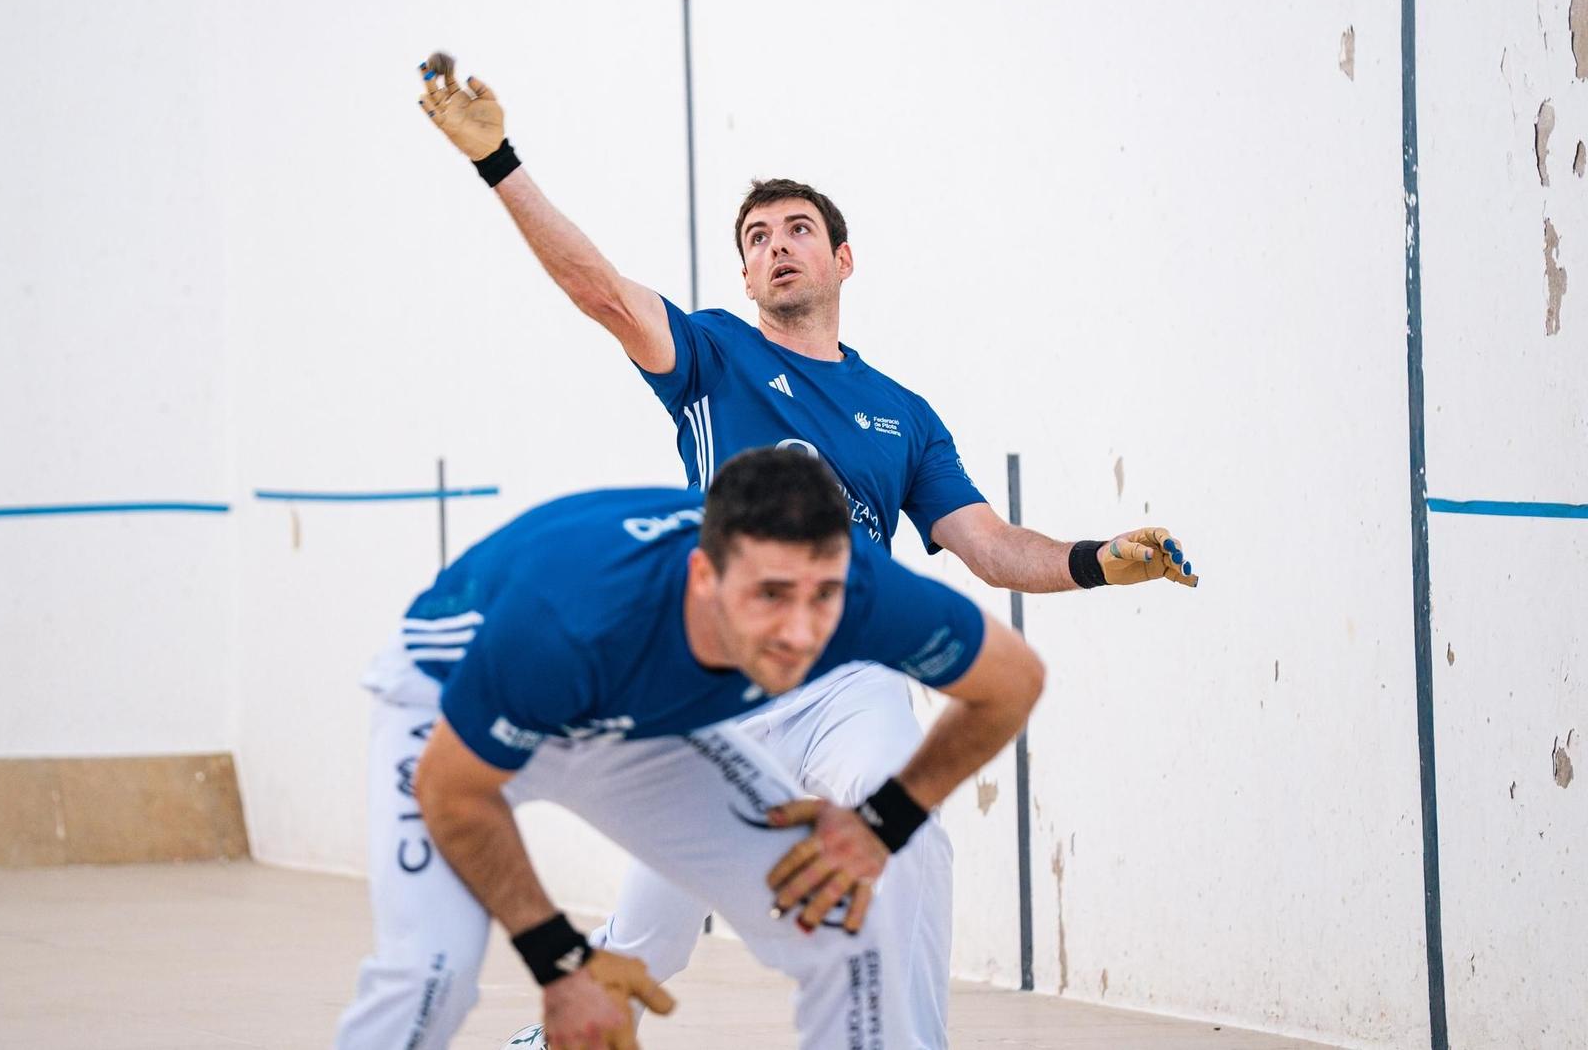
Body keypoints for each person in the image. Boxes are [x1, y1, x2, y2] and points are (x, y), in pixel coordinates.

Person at [417, 51, 1198, 1045]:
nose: (778, 247)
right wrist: (501, 163)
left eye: (797, 231)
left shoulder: (902, 415)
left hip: (849, 673)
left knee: (900, 840)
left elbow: (992, 549)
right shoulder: (706, 354)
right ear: (744, 273)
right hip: (714, 676)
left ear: (840, 257)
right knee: (652, 921)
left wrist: (1095, 556)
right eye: (757, 238)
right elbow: (602, 291)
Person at [331, 448, 1045, 1050]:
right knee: (434, 971)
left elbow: (1012, 680)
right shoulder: (570, 619)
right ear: (705, 577)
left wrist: (883, 820)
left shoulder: (859, 591)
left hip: (636, 717)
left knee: (841, 916)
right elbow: (454, 791)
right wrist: (561, 963)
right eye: (769, 594)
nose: (800, 633)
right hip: (451, 701)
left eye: (821, 595)